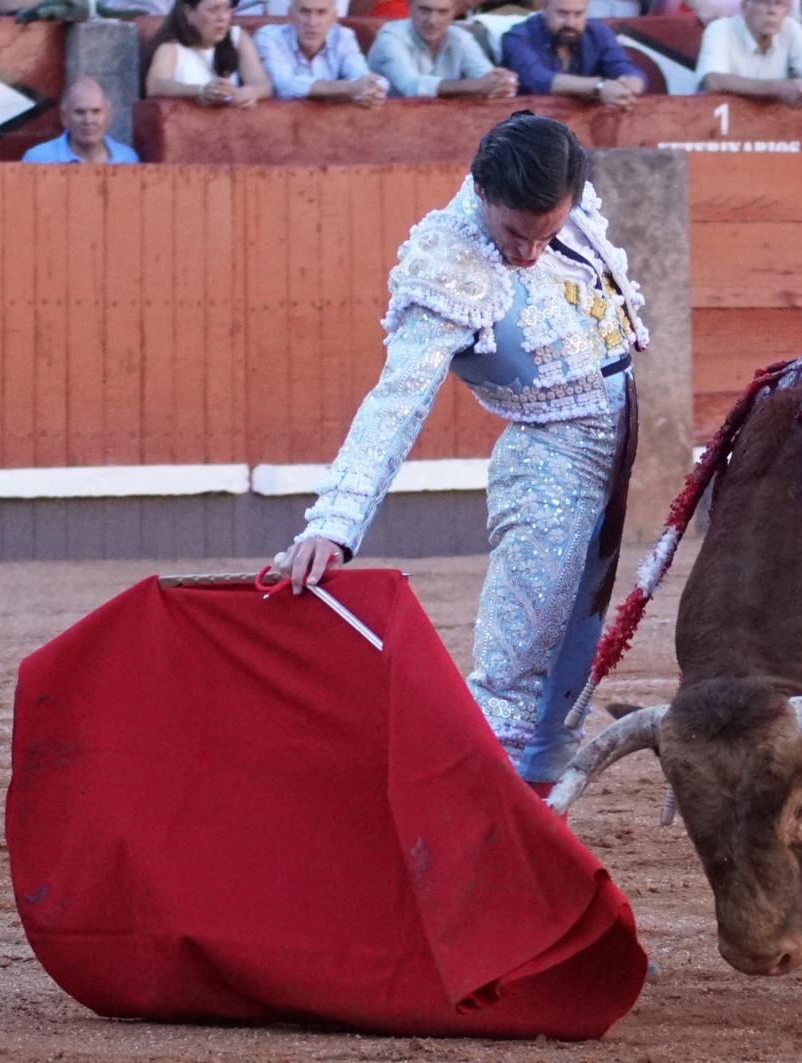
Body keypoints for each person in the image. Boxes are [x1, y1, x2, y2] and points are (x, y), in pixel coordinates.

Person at [269, 113, 648, 796]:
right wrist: (334, 522)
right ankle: (473, 821)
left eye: (547, 233)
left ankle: (538, 814)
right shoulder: (449, 263)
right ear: (479, 190)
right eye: (514, 234)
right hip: (549, 462)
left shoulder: (560, 191)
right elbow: (397, 400)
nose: (530, 252)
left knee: (571, 658)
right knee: (513, 672)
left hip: (615, 441)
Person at [500, 0, 646, 105]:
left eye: (578, 14)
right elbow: (536, 79)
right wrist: (598, 87)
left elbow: (623, 66)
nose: (570, 23)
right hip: (530, 126)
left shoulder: (597, 32)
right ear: (544, 8)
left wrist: (632, 84)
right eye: (562, 13)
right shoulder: (517, 37)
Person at [695, 0, 802, 104]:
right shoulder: (720, 29)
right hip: (719, 128)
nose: (772, 11)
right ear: (745, 7)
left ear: (787, 11)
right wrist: (778, 88)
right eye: (764, 2)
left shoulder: (791, 28)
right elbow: (713, 81)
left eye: (779, 3)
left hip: (772, 129)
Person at [369, 0, 519, 98]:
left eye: (442, 12)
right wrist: (472, 86)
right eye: (424, 10)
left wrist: (501, 82)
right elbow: (411, 86)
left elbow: (485, 76)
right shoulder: (390, 37)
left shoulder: (461, 38)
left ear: (454, 13)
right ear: (409, 8)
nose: (432, 21)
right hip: (386, 125)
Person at [255, 0, 389, 106]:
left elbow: (364, 77)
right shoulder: (269, 36)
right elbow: (284, 86)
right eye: (304, 12)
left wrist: (371, 89)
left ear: (334, 18)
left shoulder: (343, 36)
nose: (312, 22)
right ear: (290, 14)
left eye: (321, 12)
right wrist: (349, 88)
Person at [144, 0, 272, 108]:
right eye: (213, 10)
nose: (222, 17)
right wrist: (200, 91)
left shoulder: (237, 37)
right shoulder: (171, 47)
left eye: (227, 8)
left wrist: (249, 92)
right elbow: (155, 85)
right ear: (189, 13)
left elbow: (262, 83)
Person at [22, 78, 139, 164]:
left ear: (109, 115)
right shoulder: (37, 159)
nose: (88, 120)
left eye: (96, 111)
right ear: (64, 117)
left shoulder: (127, 159)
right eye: (80, 112)